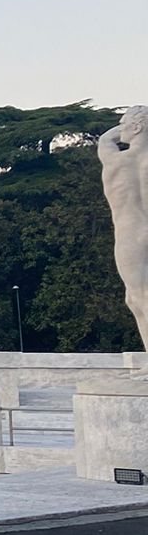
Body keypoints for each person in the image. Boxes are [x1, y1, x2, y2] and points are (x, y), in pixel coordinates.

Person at [98, 106, 148, 351]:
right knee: (135, 297)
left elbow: (105, 139)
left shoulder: (116, 161)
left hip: (131, 232)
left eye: (123, 122)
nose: (120, 127)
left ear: (136, 127)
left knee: (139, 296)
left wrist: (128, 127)